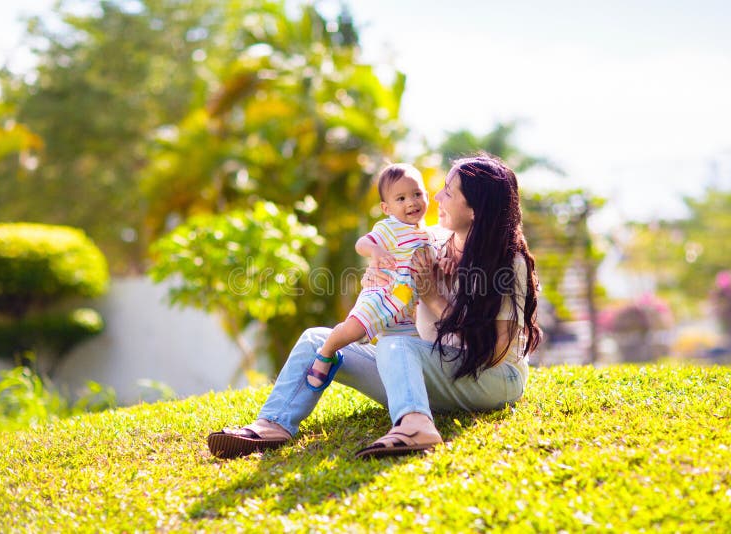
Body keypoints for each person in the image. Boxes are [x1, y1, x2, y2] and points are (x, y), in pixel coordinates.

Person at [207, 154, 542, 459]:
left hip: (492, 379)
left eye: (449, 192)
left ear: (476, 209)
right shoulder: (434, 240)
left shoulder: (507, 262)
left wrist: (431, 297)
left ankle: (415, 425)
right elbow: (391, 272)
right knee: (316, 340)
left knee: (397, 346)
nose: (436, 197)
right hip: (424, 364)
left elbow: (494, 350)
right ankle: (273, 424)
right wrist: (378, 280)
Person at [305, 163, 433, 391]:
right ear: (386, 208)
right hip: (382, 293)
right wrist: (375, 251)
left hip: (407, 305)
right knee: (354, 328)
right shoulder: (389, 227)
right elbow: (361, 243)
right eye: (401, 198)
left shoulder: (428, 234)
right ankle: (326, 352)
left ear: (427, 197)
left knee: (409, 347)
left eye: (417, 194)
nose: (411, 202)